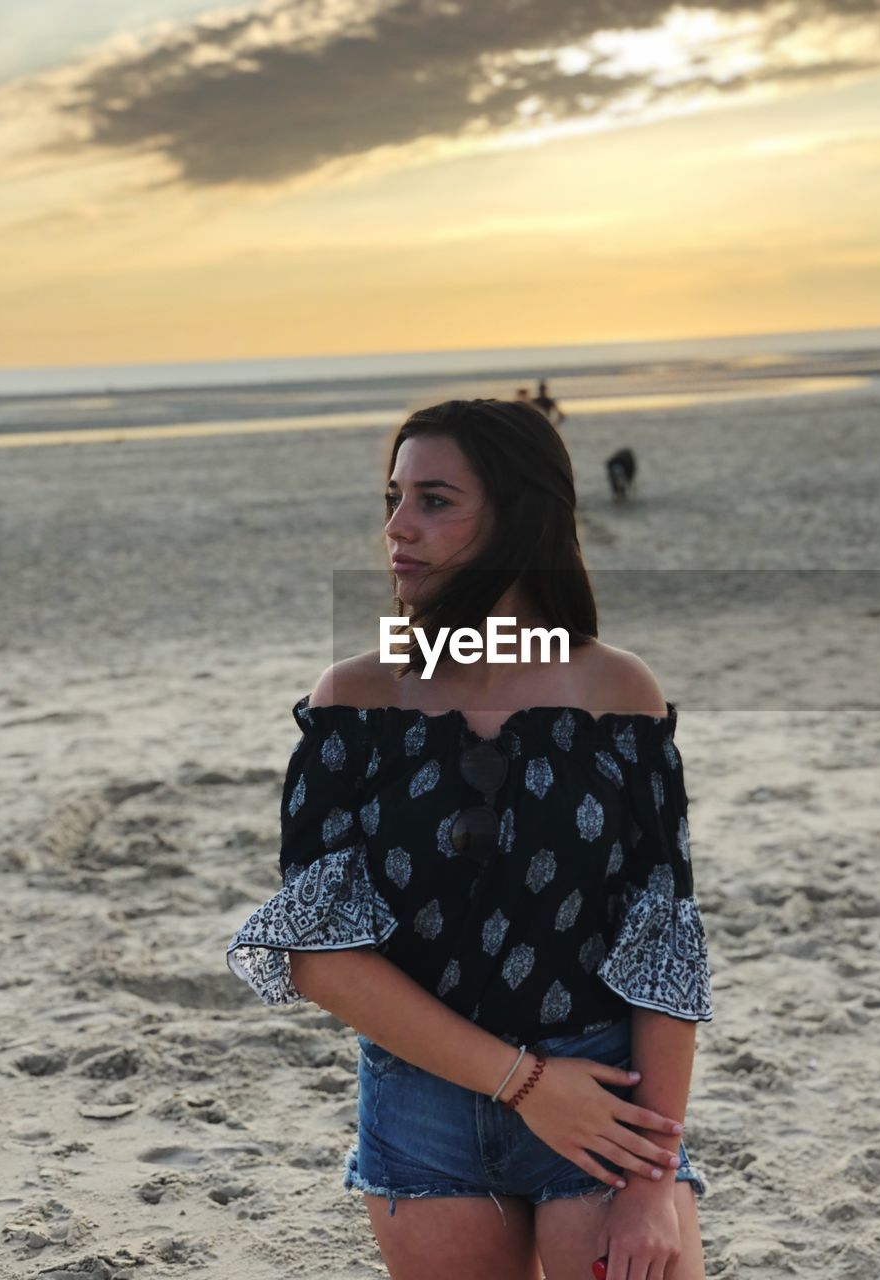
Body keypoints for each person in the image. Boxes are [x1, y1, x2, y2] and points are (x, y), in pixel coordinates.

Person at [226, 398, 714, 1280]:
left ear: (519, 518)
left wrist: (652, 1176)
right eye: (393, 499)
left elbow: (664, 943)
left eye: (435, 500)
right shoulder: (356, 699)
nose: (398, 528)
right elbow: (320, 954)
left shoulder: (618, 691)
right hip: (425, 1107)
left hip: (607, 1100)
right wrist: (526, 1086)